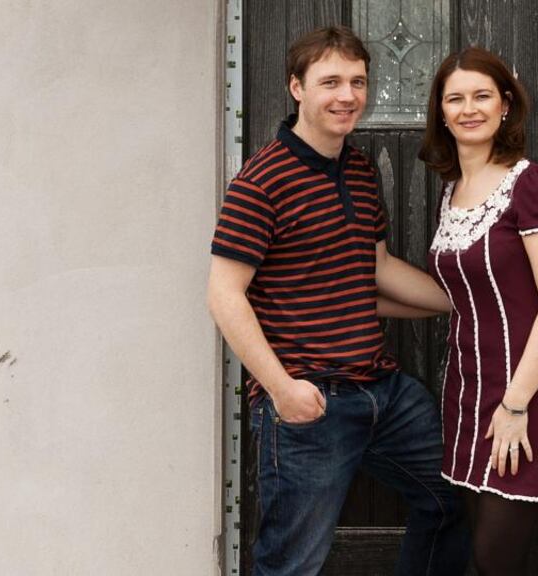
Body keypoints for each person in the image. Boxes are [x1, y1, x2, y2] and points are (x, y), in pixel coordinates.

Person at [206, 26, 469, 576]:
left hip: (384, 392)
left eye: (357, 81)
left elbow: (375, 269)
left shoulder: (358, 168)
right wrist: (282, 390)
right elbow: (224, 295)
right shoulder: (262, 181)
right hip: (309, 403)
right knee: (291, 563)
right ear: (296, 88)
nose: (347, 95)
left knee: (452, 500)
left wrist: (462, 300)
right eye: (330, 81)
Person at [418, 46, 538, 575]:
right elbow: (462, 294)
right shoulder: (453, 190)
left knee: (494, 559)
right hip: (466, 389)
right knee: (482, 555)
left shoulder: (529, 183)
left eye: (482, 95)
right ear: (441, 111)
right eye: (455, 98)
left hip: (524, 391)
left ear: (505, 105)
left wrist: (515, 405)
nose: (470, 108)